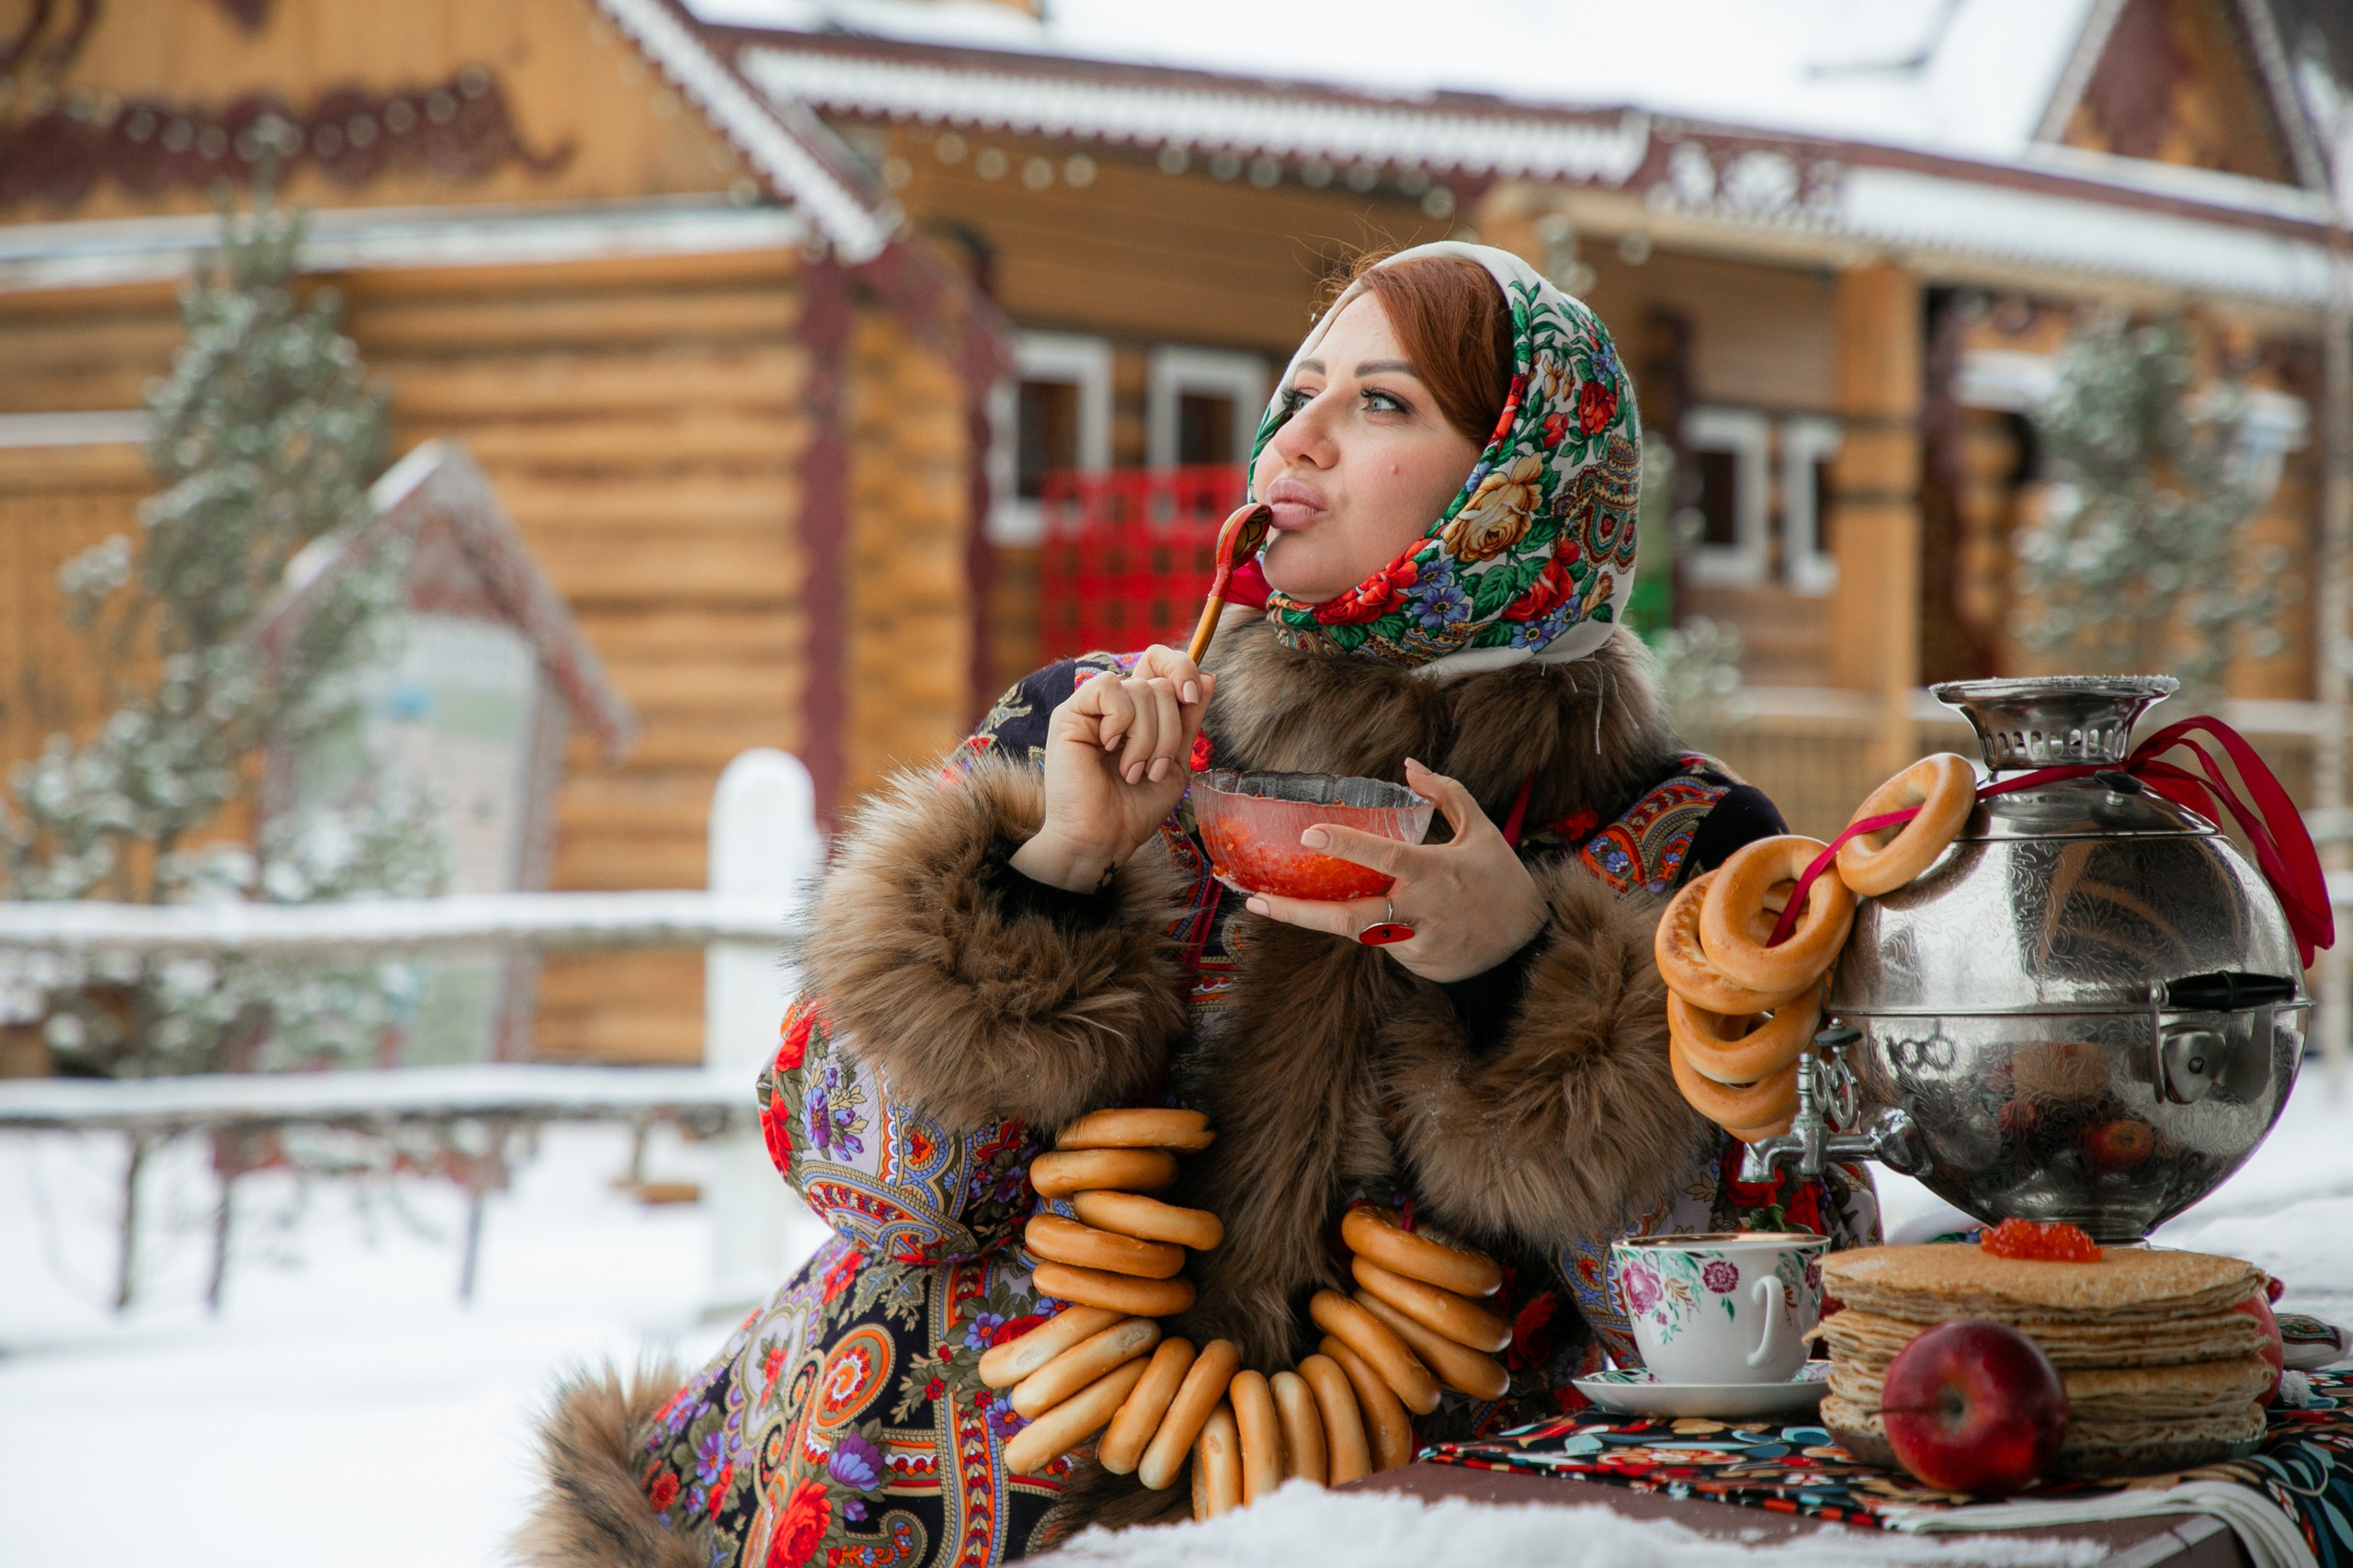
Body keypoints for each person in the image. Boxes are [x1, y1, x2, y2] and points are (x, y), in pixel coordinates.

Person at [518, 242, 1878, 1568]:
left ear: (1526, 481)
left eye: (1382, 402)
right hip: (909, 1497)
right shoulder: (1086, 735)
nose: (1300, 437)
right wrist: (1052, 873)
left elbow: (1790, 1332)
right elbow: (869, 1181)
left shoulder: (1690, 845)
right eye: (1297, 395)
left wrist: (1521, 975)